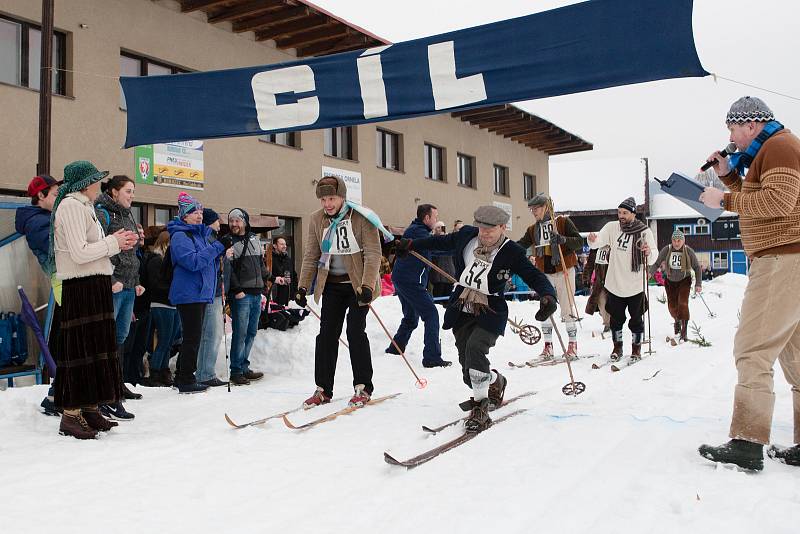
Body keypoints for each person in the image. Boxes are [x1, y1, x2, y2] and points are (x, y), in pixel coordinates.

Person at [697, 96, 800, 470]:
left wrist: (723, 197)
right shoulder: (770, 149)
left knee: (753, 347)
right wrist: (727, 175)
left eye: (733, 128)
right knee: (795, 355)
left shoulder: (780, 148)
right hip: (788, 259)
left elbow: (779, 203)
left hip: (781, 258)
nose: (731, 136)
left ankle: (747, 441)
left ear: (751, 125)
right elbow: (758, 195)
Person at [396, 205, 557, 432]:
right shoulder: (467, 235)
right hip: (461, 307)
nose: (485, 233)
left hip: (491, 310)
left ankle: (480, 407)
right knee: (468, 371)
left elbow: (534, 276)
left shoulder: (511, 251)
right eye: (482, 228)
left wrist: (548, 295)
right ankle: (493, 380)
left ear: (503, 227)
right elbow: (440, 242)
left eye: (491, 230)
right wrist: (412, 244)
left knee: (475, 349)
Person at [50, 160, 138, 438]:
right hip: (82, 285)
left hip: (94, 283)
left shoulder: (84, 207)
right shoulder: (72, 206)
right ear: (85, 183)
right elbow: (79, 253)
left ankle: (89, 408)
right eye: (95, 180)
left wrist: (116, 240)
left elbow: (91, 249)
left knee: (96, 348)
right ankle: (71, 415)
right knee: (82, 350)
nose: (99, 185)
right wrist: (113, 243)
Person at [294, 175, 384, 408]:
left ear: (342, 197)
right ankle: (323, 389)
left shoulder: (362, 218)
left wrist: (366, 285)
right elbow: (311, 255)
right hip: (332, 285)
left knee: (355, 331)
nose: (327, 204)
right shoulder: (317, 219)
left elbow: (373, 254)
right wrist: (303, 287)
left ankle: (363, 387)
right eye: (323, 199)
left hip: (357, 285)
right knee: (326, 335)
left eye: (331, 198)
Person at [167, 192, 232, 394]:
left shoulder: (199, 235)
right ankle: (186, 378)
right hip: (189, 293)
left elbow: (207, 261)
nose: (199, 215)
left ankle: (182, 376)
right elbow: (193, 262)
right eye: (194, 212)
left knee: (192, 337)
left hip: (200, 293)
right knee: (192, 337)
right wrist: (218, 246)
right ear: (184, 215)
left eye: (201, 211)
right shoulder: (180, 236)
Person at [95, 175, 144, 418]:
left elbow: (130, 250)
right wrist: (111, 279)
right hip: (113, 284)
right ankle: (106, 393)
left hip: (129, 285)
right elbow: (99, 248)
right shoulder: (103, 213)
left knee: (120, 336)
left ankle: (116, 384)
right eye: (128, 191)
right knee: (107, 338)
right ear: (114, 192)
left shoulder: (128, 214)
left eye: (133, 191)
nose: (132, 195)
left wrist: (136, 281)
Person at [15, 174, 62, 416]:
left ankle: (59, 393)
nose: (58, 197)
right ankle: (57, 394)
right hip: (62, 280)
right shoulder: (37, 222)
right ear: (40, 196)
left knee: (66, 339)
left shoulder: (45, 217)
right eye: (54, 194)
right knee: (66, 339)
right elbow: (57, 249)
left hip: (65, 279)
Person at [587, 197, 657, 361]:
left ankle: (636, 349)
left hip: (635, 285)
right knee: (616, 320)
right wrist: (592, 241)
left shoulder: (644, 231)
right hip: (615, 283)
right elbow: (599, 242)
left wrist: (648, 252)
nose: (621, 216)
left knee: (636, 320)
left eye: (625, 213)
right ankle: (617, 348)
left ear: (633, 213)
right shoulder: (612, 227)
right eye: (619, 212)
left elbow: (653, 255)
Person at [517, 193, 584, 360]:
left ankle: (572, 345)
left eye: (536, 208)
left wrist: (563, 239)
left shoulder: (562, 222)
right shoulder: (533, 229)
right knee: (545, 306)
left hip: (564, 269)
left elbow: (579, 242)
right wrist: (505, 248)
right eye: (531, 209)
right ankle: (548, 347)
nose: (534, 212)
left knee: (567, 308)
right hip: (544, 272)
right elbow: (522, 245)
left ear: (546, 207)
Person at [386, 204, 451, 368]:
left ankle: (395, 348)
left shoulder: (416, 231)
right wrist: (455, 245)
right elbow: (435, 246)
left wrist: (454, 250)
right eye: (435, 217)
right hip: (411, 282)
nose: (436, 220)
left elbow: (433, 251)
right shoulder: (418, 232)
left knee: (410, 318)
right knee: (431, 315)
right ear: (427, 218)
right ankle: (432, 357)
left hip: (403, 279)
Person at [226, 208, 267, 386]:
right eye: (231, 221)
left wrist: (270, 278)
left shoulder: (254, 239)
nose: (234, 224)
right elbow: (228, 270)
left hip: (257, 292)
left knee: (251, 332)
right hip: (241, 294)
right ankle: (235, 371)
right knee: (240, 333)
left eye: (237, 220)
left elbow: (260, 264)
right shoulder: (228, 242)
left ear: (245, 222)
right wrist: (236, 290)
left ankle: (243, 366)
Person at [139, 229, 182, 387]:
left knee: (169, 340)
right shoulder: (156, 260)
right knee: (164, 339)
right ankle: (155, 370)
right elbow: (156, 285)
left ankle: (164, 369)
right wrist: (174, 289)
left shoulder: (168, 261)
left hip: (172, 304)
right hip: (161, 303)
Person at [195, 208, 233, 387]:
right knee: (212, 333)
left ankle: (204, 372)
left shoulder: (212, 239)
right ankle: (205, 373)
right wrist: (224, 255)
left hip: (215, 291)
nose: (220, 223)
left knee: (211, 333)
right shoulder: (209, 239)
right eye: (217, 220)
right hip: (212, 293)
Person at [649, 229, 702, 342]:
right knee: (672, 306)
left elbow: (697, 267)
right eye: (674, 240)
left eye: (679, 240)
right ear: (671, 240)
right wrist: (650, 273)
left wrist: (698, 284)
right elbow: (657, 262)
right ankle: (677, 321)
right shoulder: (667, 250)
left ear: (683, 241)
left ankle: (684, 332)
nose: (676, 243)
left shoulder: (688, 251)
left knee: (683, 303)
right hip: (670, 281)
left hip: (684, 280)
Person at [584, 246, 611, 335]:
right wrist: (586, 278)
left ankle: (613, 321)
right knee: (601, 301)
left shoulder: (613, 245)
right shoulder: (595, 249)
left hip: (613, 281)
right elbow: (589, 265)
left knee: (614, 303)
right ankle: (607, 323)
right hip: (599, 282)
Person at [430, 221, 456, 305]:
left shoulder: (449, 239)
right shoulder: (432, 239)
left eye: (442, 227)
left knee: (448, 298)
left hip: (450, 272)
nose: (440, 229)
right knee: (437, 296)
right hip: (437, 273)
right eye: (438, 227)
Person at [269, 236, 296, 307]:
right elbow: (267, 275)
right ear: (274, 246)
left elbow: (294, 275)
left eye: (285, 244)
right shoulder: (270, 259)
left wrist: (295, 292)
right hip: (275, 296)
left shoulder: (288, 259)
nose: (284, 246)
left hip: (288, 297)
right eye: (281, 244)